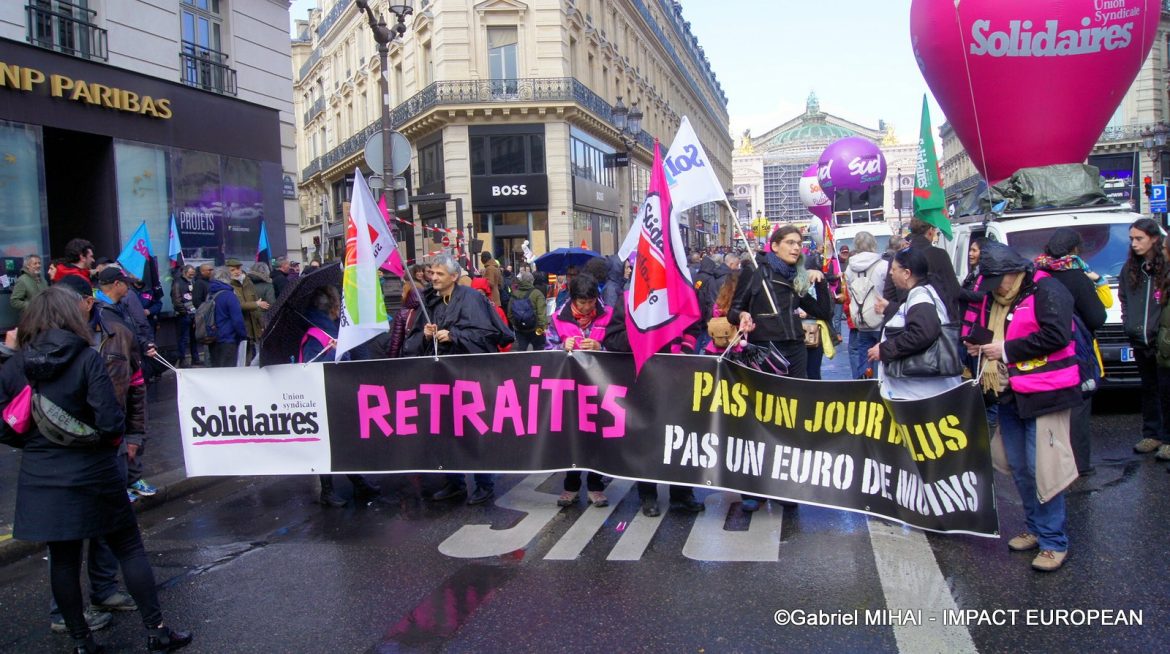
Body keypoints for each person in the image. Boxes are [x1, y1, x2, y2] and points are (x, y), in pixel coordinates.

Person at [0, 287, 191, 653]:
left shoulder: (15, 365)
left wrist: (39, 446)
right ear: (71, 318)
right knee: (129, 548)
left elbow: (4, 426)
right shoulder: (87, 358)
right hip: (95, 471)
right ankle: (158, 631)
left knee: (63, 560)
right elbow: (110, 421)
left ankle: (81, 641)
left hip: (42, 475)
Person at [966, 244, 1080, 572]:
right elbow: (993, 331)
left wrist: (1005, 349)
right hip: (1009, 391)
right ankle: (1035, 527)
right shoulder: (1000, 295)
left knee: (1042, 467)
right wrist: (979, 344)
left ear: (1014, 272)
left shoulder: (1048, 289)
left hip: (1046, 392)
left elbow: (1057, 335)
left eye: (998, 280)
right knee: (1019, 466)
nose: (994, 288)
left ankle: (1053, 541)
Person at [404, 254, 502, 505]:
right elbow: (411, 345)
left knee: (473, 428)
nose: (433, 278)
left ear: (454, 276)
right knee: (444, 430)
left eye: (439, 274)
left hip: (470, 376)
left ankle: (484, 483)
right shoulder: (427, 302)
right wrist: (426, 336)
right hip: (438, 378)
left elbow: (488, 335)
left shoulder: (472, 299)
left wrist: (455, 336)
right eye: (432, 273)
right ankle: (454, 482)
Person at [298, 286, 383, 507]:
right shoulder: (317, 333)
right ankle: (329, 490)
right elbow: (312, 366)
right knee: (329, 443)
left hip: (335, 394)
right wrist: (335, 351)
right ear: (333, 307)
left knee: (342, 442)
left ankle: (358, 482)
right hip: (324, 396)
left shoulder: (328, 329)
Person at [1034, 228, 1107, 475]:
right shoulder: (1076, 276)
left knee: (1051, 408)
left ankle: (1051, 462)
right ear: (1075, 250)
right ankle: (1079, 465)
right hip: (1075, 352)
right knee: (1078, 406)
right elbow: (1097, 317)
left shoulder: (1037, 274)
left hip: (1042, 350)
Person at [544, 274, 612, 508]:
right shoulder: (557, 318)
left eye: (591, 302)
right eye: (581, 303)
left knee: (598, 438)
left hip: (601, 388)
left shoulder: (609, 315)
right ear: (573, 300)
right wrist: (562, 347)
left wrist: (600, 346)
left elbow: (620, 345)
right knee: (571, 437)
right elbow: (547, 348)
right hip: (570, 389)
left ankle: (595, 486)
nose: (586, 308)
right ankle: (570, 486)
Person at [729, 225, 831, 380]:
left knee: (797, 396)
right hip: (766, 347)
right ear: (775, 246)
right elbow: (733, 311)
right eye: (790, 243)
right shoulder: (755, 270)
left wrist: (821, 281)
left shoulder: (796, 275)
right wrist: (743, 315)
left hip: (796, 347)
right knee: (769, 398)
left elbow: (823, 312)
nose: (796, 248)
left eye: (799, 243)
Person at [92, 268, 159, 500]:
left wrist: (143, 345)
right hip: (114, 379)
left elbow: (133, 333)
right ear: (116, 284)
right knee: (117, 429)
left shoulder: (120, 307)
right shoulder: (98, 312)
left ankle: (132, 477)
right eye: (125, 283)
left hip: (132, 373)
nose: (129, 287)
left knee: (135, 425)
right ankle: (120, 481)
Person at [867, 247, 962, 400]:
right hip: (920, 392)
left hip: (921, 395)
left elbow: (923, 332)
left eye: (894, 269)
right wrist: (890, 308)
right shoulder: (922, 293)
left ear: (907, 273)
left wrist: (885, 349)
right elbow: (914, 318)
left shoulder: (919, 296)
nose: (890, 273)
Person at [1121, 218, 1170, 460]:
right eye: (1131, 239)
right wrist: (1128, 323)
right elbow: (1124, 297)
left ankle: (1168, 439)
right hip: (1139, 339)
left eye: (1139, 238)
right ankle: (1152, 433)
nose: (1134, 243)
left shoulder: (1165, 268)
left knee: (1166, 390)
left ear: (1153, 239)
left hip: (1162, 342)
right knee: (1149, 388)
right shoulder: (1131, 268)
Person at [879, 218, 961, 323]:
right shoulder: (939, 255)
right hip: (937, 321)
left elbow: (889, 294)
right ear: (931, 230)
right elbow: (954, 290)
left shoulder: (898, 257)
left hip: (905, 321)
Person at [844, 232, 888, 380]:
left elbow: (850, 294)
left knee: (865, 357)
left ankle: (864, 385)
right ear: (874, 245)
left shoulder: (850, 269)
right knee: (883, 356)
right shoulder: (883, 265)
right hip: (880, 317)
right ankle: (879, 385)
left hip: (861, 319)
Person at [226, 259, 269, 364]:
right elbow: (237, 305)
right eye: (233, 270)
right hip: (240, 325)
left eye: (238, 268)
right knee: (242, 356)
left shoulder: (248, 282)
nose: (237, 272)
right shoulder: (229, 285)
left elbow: (256, 301)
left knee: (252, 354)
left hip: (253, 324)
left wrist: (261, 324)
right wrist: (256, 304)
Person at [206, 267, 246, 368]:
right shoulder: (229, 295)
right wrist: (243, 335)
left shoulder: (210, 294)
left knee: (216, 370)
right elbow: (237, 320)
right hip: (228, 339)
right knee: (228, 372)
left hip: (213, 338)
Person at [507, 271, 548, 351]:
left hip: (520, 330)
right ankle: (537, 363)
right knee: (539, 350)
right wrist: (541, 328)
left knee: (522, 352)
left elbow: (509, 313)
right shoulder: (537, 294)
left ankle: (522, 363)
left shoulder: (515, 294)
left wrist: (516, 324)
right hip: (536, 329)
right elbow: (542, 314)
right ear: (532, 281)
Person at [171, 265, 198, 368]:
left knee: (194, 337)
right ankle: (182, 360)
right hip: (184, 315)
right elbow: (176, 300)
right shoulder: (178, 283)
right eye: (190, 274)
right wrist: (184, 312)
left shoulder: (193, 282)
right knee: (183, 339)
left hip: (193, 314)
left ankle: (195, 358)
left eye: (193, 274)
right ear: (185, 272)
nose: (192, 275)